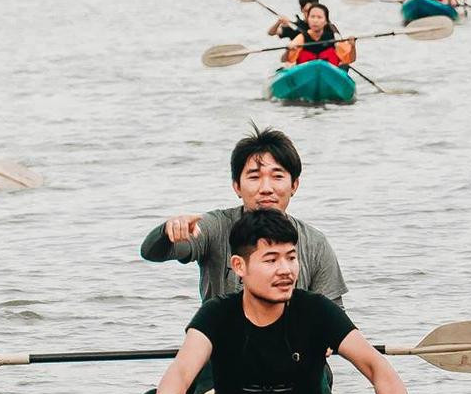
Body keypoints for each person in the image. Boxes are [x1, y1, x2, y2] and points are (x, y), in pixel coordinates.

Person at [132, 210, 425, 394]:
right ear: (239, 266)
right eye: (271, 260)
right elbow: (182, 371)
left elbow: (376, 366)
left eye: (291, 258)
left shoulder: (316, 309)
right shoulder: (217, 312)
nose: (285, 270)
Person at [140, 126, 346, 304]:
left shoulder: (315, 244)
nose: (266, 188)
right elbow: (153, 252)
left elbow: (335, 316)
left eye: (277, 176)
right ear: (237, 186)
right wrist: (168, 232)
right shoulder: (214, 228)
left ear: (294, 185)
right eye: (254, 177)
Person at [284, 1, 356, 69]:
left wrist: (352, 46)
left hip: (329, 73)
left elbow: (351, 59)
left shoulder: (334, 37)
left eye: (319, 17)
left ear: (326, 21)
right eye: (312, 17)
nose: (315, 20)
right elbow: (284, 59)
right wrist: (288, 50)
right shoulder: (301, 38)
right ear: (308, 19)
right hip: (306, 73)